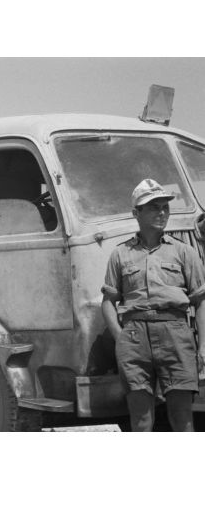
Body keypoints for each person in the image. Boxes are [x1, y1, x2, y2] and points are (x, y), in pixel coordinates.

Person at [101, 179, 205, 431]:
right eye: (153, 207)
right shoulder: (120, 254)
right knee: (141, 420)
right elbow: (108, 302)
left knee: (182, 418)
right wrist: (121, 337)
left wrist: (203, 346)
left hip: (176, 335)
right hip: (135, 339)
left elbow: (200, 302)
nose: (162, 213)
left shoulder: (184, 252)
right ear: (136, 213)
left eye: (165, 207)